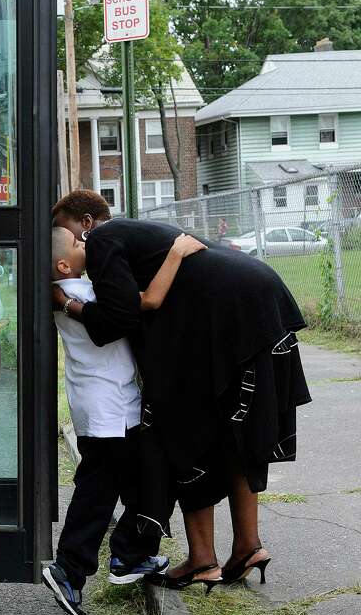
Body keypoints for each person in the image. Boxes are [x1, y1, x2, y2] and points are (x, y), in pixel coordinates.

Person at [51, 190, 310, 594]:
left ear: (86, 224)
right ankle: (246, 546)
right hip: (252, 306)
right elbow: (135, 302)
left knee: (180, 433)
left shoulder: (103, 240)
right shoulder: (134, 237)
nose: (77, 243)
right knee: (232, 434)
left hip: (222, 319)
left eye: (67, 233)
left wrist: (67, 305)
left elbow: (118, 318)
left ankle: (203, 558)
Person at [43, 226, 206, 615]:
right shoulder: (82, 293)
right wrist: (175, 254)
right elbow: (146, 302)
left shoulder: (71, 292)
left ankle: (128, 556)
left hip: (98, 405)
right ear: (64, 263)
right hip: (111, 408)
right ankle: (70, 567)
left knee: (129, 481)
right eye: (80, 243)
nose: (88, 243)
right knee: (102, 488)